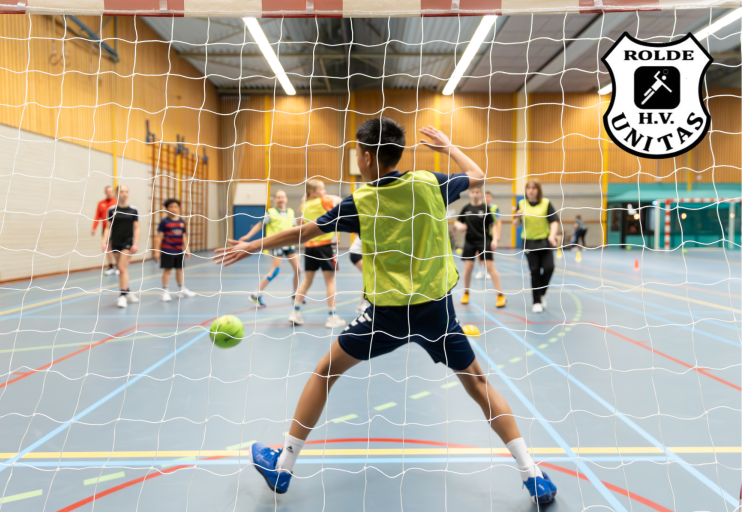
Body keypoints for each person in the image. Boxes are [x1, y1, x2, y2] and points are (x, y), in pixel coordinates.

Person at [214, 119, 557, 504]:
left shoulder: (359, 202)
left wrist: (252, 245)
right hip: (436, 313)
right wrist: (447, 147)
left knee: (325, 372)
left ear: (364, 156)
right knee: (478, 385)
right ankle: (533, 474)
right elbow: (477, 175)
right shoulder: (430, 183)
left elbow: (302, 233)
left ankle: (284, 465)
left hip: (385, 317)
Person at [288, 179, 346, 329]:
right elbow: (340, 200)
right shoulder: (324, 201)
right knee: (330, 281)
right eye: (322, 189)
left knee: (307, 281)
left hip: (309, 247)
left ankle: (295, 312)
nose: (324, 192)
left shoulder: (304, 205)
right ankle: (332, 317)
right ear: (313, 192)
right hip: (325, 247)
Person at [240, 190, 301, 307]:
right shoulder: (271, 212)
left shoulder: (291, 212)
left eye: (282, 197)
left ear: (286, 199)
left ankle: (295, 294)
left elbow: (295, 228)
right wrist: (248, 236)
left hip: (289, 245)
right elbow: (259, 224)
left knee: (298, 270)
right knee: (275, 270)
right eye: (278, 197)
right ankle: (255, 294)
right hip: (277, 244)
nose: (280, 199)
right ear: (275, 200)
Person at [513, 181, 560, 314]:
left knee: (549, 268)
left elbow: (554, 221)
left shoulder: (546, 203)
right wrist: (518, 216)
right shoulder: (522, 204)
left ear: (538, 190)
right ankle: (536, 301)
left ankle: (541, 293)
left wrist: (552, 235)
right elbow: (516, 224)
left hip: (545, 241)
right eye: (528, 188)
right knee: (534, 271)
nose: (531, 190)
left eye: (534, 188)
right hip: (529, 242)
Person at [455, 188, 506, 308]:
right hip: (469, 241)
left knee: (490, 267)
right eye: (473, 192)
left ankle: (500, 295)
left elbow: (492, 225)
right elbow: (457, 222)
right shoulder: (466, 208)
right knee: (468, 267)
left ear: (480, 194)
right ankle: (466, 293)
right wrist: (459, 226)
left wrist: (494, 239)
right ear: (469, 194)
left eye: (477, 192)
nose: (475, 194)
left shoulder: (485, 208)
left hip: (484, 240)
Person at [102, 185, 140, 309]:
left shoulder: (134, 210)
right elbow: (108, 227)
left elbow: (137, 228)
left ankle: (122, 296)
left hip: (128, 243)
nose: (124, 194)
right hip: (116, 243)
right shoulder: (111, 210)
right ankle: (128, 292)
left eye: (126, 191)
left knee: (121, 268)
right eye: (121, 191)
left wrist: (136, 243)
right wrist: (105, 242)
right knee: (121, 269)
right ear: (117, 194)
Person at [154, 199, 197, 302]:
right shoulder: (164, 222)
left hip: (179, 250)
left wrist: (187, 248)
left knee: (180, 270)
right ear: (167, 209)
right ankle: (164, 292)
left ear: (179, 208)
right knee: (167, 271)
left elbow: (184, 236)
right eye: (171, 207)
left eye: (175, 206)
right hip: (167, 249)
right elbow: (159, 237)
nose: (173, 209)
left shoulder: (181, 221)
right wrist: (156, 251)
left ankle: (181, 289)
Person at [92, 186, 118, 276]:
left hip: (116, 229)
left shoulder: (116, 202)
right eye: (107, 191)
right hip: (106, 229)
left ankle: (119, 266)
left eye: (111, 191)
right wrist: (94, 228)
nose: (109, 193)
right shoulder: (101, 203)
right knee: (107, 247)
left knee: (116, 247)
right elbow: (97, 216)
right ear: (105, 192)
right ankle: (111, 266)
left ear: (113, 192)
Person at [348, 235, 370, 314]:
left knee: (370, 277)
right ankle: (363, 305)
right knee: (370, 277)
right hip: (356, 254)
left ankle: (362, 304)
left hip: (360, 253)